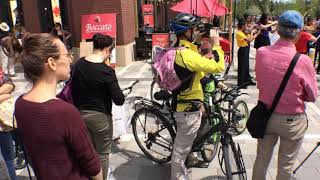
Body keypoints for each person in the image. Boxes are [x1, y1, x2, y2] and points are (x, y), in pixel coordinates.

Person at [14, 33, 103, 180]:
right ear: (52, 63)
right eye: (66, 54)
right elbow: (92, 164)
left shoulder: (20, 104)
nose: (70, 59)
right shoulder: (65, 112)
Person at [253, 10, 318, 180]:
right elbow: (312, 96)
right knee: (286, 165)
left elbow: (261, 82)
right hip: (292, 120)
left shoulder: (262, 53)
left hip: (266, 115)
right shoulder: (303, 60)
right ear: (299, 33)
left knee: (261, 158)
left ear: (278, 29)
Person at [169, 13, 225, 180]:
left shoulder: (180, 48)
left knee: (184, 146)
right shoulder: (187, 55)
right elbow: (218, 66)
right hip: (187, 110)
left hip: (186, 103)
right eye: (193, 29)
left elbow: (194, 54)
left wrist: (199, 39)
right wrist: (217, 46)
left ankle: (189, 157)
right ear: (187, 32)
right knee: (179, 155)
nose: (196, 32)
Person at [71, 33, 125, 179]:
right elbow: (119, 100)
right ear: (108, 49)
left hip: (78, 114)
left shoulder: (78, 64)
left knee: (87, 151)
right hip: (100, 117)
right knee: (102, 153)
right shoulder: (106, 72)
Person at [0, 63, 16, 180]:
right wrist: (4, 95)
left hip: (3, 125)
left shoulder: (1, 73)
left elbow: (10, 84)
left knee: (9, 160)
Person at [236, 18, 260, 87]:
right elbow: (249, 40)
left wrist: (257, 33)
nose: (247, 27)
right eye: (246, 25)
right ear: (243, 26)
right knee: (242, 67)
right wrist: (252, 32)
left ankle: (247, 80)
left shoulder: (244, 32)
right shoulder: (239, 33)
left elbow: (251, 39)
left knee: (246, 66)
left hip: (246, 49)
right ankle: (241, 83)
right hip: (242, 50)